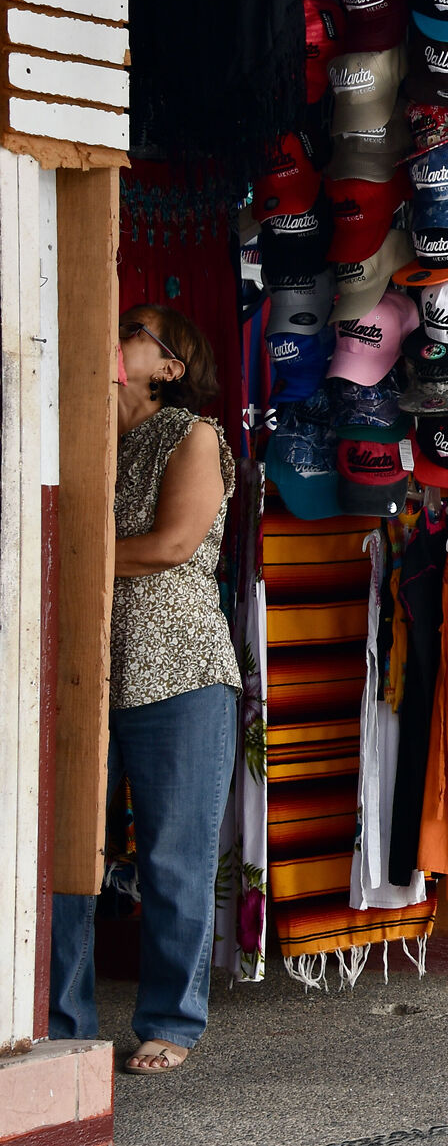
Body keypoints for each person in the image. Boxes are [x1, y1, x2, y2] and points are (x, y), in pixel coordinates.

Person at [51, 307, 239, 1074]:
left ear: (169, 367)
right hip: (88, 676)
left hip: (180, 675)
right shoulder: (89, 439)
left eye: (136, 327)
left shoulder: (193, 434)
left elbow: (171, 545)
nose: (118, 330)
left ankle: (171, 1019)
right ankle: (62, 1020)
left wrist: (66, 554)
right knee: (69, 854)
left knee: (172, 858)